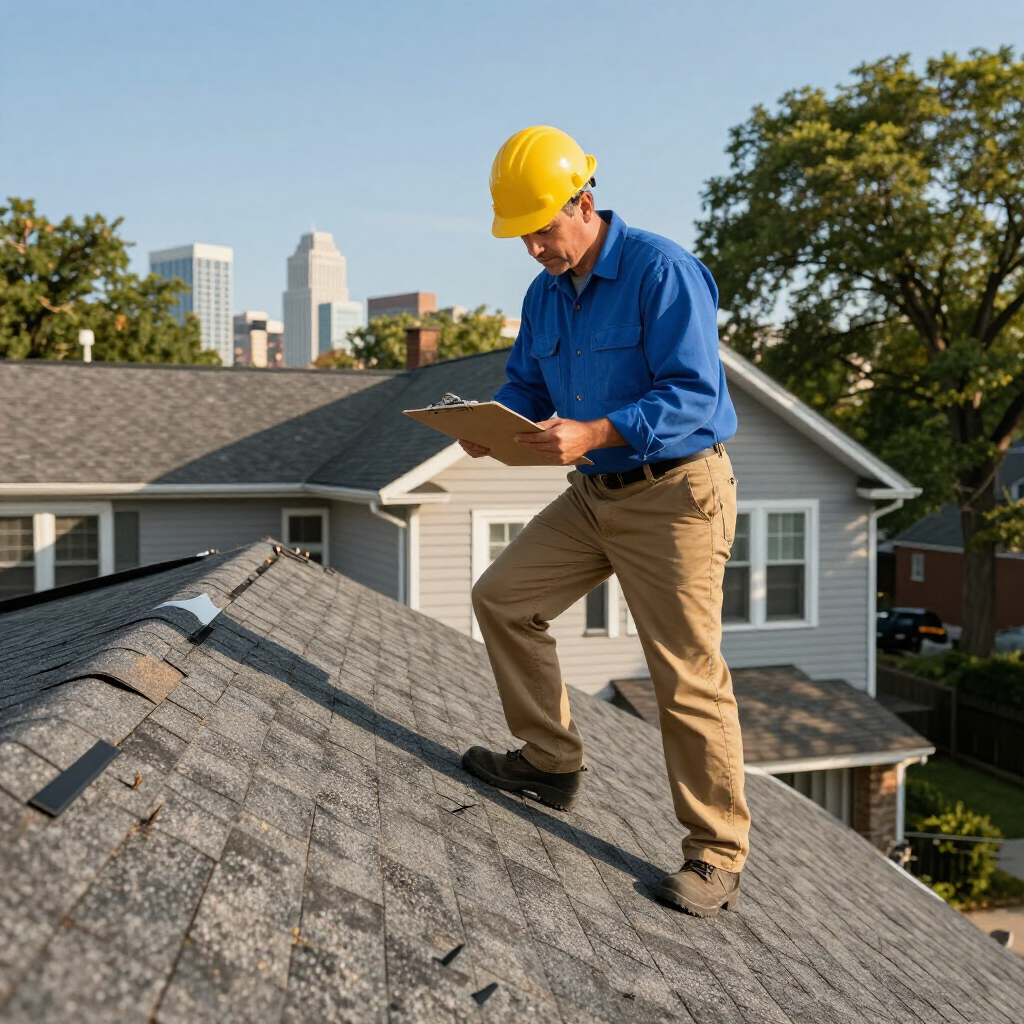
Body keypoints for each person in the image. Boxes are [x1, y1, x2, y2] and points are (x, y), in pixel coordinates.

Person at [458, 126, 750, 918]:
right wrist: (489, 427)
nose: (534, 249)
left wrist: (593, 432)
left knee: (685, 677)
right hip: (597, 495)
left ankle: (716, 856)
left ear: (584, 203)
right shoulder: (544, 295)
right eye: (522, 236)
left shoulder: (663, 271)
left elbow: (693, 394)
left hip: (675, 494)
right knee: (503, 598)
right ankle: (550, 764)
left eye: (544, 230)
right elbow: (527, 385)